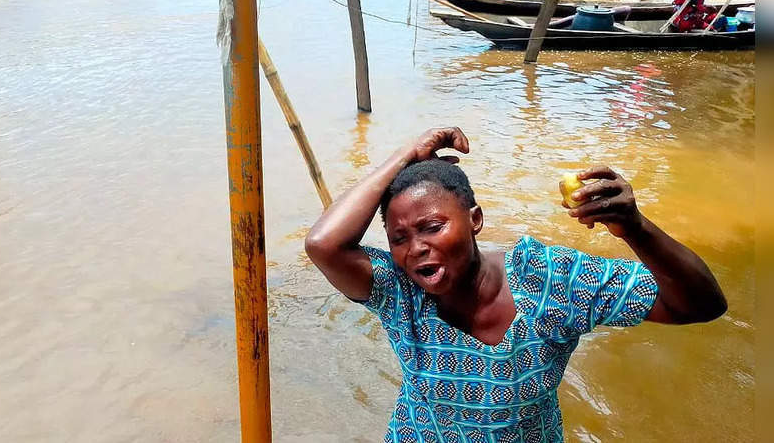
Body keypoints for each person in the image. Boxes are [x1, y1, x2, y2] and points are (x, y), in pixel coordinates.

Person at [305, 127, 726, 442]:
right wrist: (404, 155)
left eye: (432, 227)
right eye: (399, 239)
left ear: (474, 220)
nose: (416, 248)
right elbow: (324, 244)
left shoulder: (551, 281)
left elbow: (701, 305)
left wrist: (636, 229)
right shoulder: (400, 293)